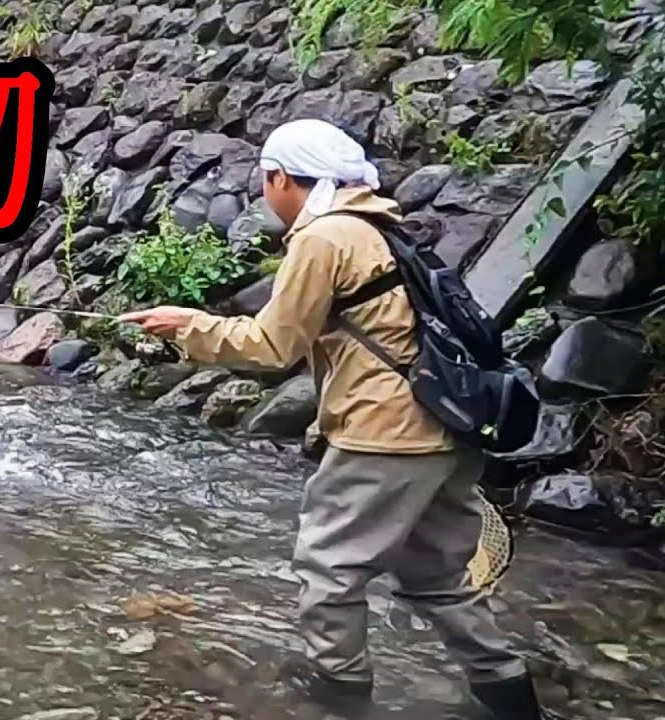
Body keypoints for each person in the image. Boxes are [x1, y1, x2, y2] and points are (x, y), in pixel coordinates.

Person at [118, 119, 558, 720]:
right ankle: (510, 694)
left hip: (385, 434)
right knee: (436, 577)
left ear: (280, 177)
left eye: (265, 180)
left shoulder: (324, 237)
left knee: (328, 571)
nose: (264, 193)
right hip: (446, 428)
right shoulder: (382, 225)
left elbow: (272, 346)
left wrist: (186, 325)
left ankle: (340, 697)